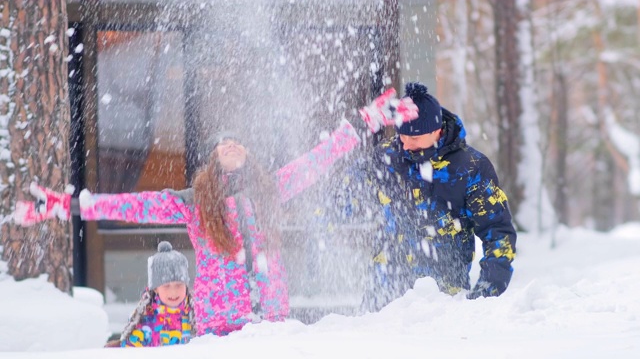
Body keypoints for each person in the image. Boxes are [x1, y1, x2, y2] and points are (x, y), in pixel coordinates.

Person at [12, 120, 361, 336]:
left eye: (238, 142)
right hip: (219, 330)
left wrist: (361, 126)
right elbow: (135, 206)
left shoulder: (268, 191)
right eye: (224, 143)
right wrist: (70, 205)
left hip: (272, 325)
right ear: (213, 158)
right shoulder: (194, 202)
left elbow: (313, 163)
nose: (232, 145)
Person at [352, 82, 517, 311]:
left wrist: (485, 295)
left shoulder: (470, 168)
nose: (406, 144)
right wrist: (355, 130)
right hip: (382, 299)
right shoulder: (385, 157)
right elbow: (346, 199)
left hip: (442, 303)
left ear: (436, 130)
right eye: (402, 135)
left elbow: (499, 233)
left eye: (415, 137)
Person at [105, 241, 196, 347]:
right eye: (166, 286)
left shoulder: (195, 316)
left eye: (179, 285)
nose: (173, 291)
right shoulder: (146, 321)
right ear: (156, 289)